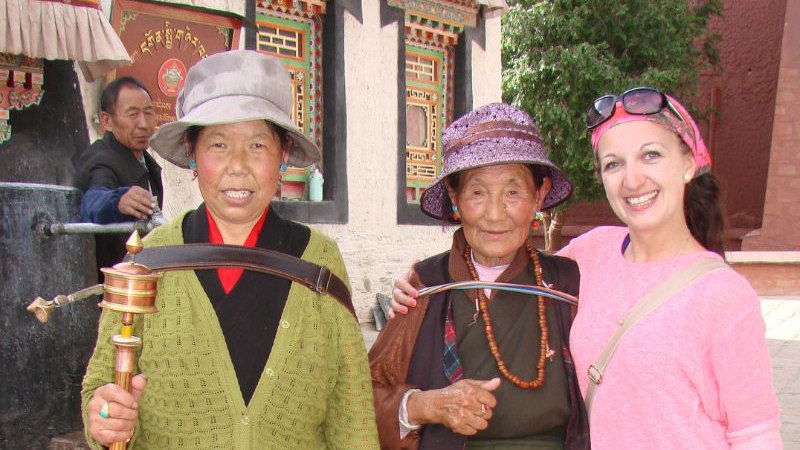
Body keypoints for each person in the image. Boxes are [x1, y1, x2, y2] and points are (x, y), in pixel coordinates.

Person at [392, 88, 783, 449]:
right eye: (614, 164)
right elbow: (502, 262)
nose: (633, 179)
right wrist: (419, 283)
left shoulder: (724, 294)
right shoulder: (592, 255)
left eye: (651, 155)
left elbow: (756, 432)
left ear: (688, 163)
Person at [81, 50, 378, 449]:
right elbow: (99, 394)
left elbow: (352, 418)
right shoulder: (148, 263)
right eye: (218, 145)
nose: (237, 165)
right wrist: (105, 418)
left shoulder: (319, 263)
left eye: (257, 145)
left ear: (283, 155)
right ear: (192, 154)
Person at [369, 103, 590, 450]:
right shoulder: (426, 285)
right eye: (477, 192)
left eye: (513, 192)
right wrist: (425, 406)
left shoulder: (568, 285)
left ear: (540, 195)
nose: (494, 214)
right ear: (455, 198)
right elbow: (362, 398)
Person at [74, 76, 164, 273]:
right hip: (109, 285)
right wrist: (117, 201)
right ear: (107, 120)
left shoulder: (145, 161)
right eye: (132, 114)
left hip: (139, 278)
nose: (143, 124)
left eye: (148, 112)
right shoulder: (101, 159)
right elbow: (92, 200)